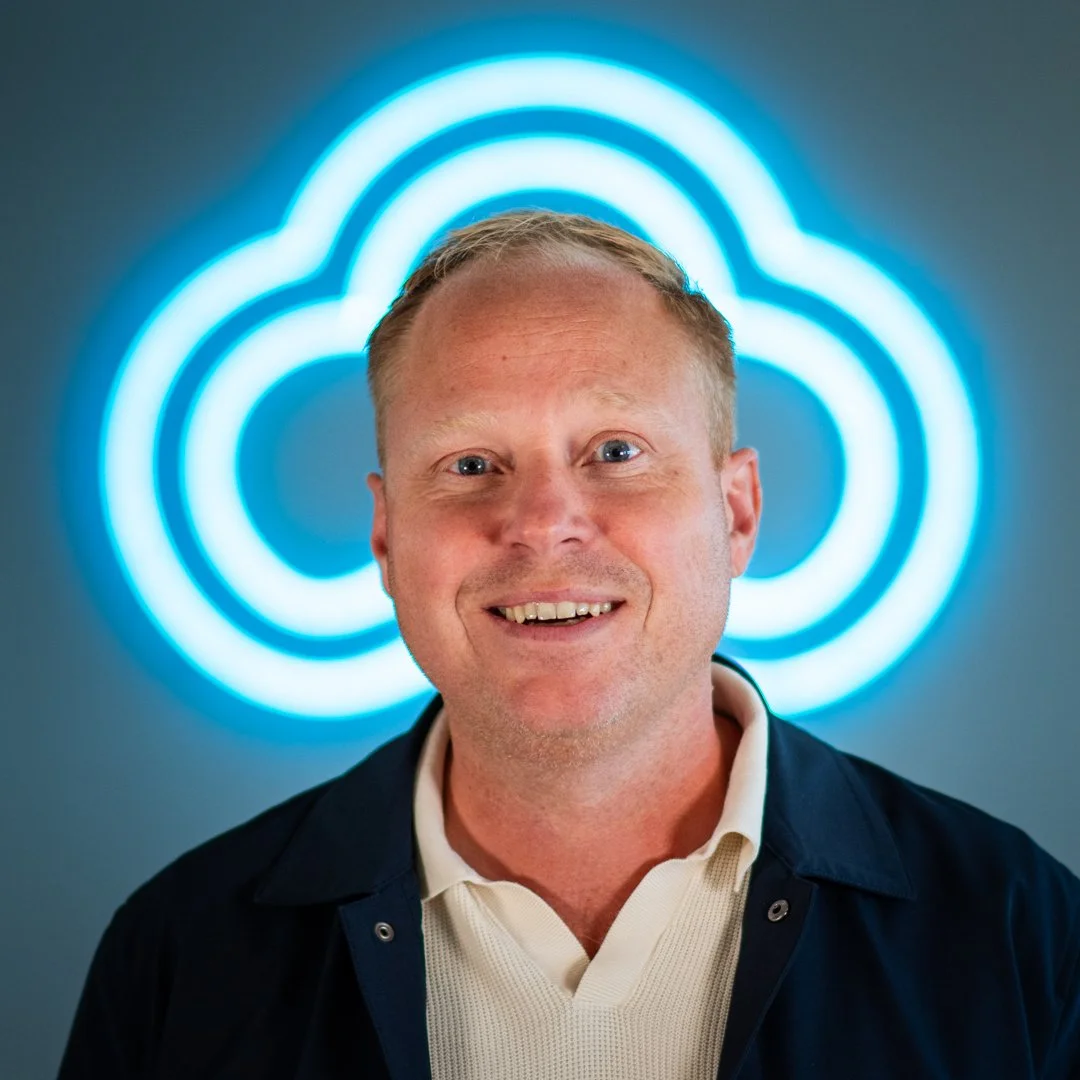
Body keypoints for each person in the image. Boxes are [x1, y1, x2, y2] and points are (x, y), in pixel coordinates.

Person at [60, 211, 1080, 1079]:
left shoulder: (1016, 931)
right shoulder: (182, 957)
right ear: (385, 536)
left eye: (616, 452)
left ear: (736, 512)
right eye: (470, 464)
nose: (543, 522)